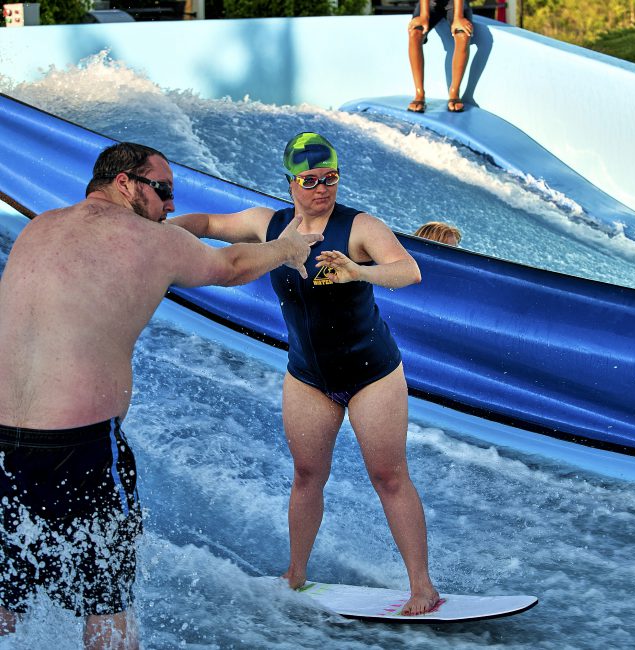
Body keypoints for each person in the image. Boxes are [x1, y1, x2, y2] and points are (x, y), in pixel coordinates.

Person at [0, 142, 320, 649]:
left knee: (6, 592)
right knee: (106, 601)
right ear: (125, 183)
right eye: (163, 190)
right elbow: (231, 265)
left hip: (3, 445)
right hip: (80, 449)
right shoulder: (149, 240)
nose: (170, 205)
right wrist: (287, 249)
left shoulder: (38, 227)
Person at [170, 132, 440, 616]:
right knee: (307, 474)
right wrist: (164, 230)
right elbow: (210, 221)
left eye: (330, 177)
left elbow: (408, 271)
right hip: (308, 376)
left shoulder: (358, 227)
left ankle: (422, 586)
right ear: (290, 181)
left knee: (388, 475)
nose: (321, 188)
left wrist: (360, 272)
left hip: (372, 374)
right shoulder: (268, 225)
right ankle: (296, 572)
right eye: (310, 179)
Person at [407, 0, 473, 113]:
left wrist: (458, 17)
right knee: (415, 33)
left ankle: (454, 93)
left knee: (463, 34)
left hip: (456, 3)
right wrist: (423, 15)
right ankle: (419, 94)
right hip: (430, 3)